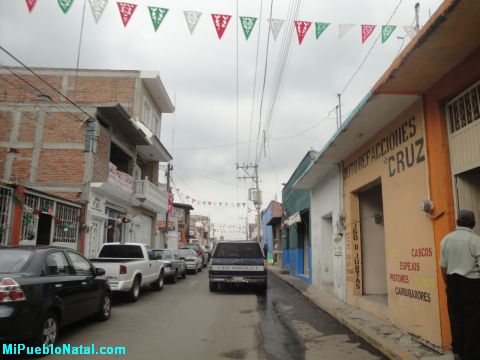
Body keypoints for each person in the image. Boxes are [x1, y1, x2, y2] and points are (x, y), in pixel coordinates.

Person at [440, 210, 480, 360]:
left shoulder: (445, 240)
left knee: (455, 318)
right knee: (473, 319)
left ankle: (457, 351)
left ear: (457, 222)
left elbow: (443, 267)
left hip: (452, 283)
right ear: (473, 224)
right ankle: (471, 354)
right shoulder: (476, 240)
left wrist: (448, 286)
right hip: (472, 284)